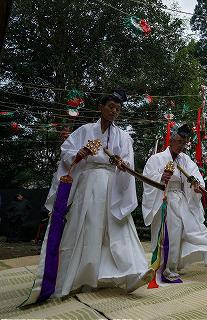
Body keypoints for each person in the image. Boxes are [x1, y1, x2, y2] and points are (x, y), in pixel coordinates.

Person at [24, 89, 153, 305]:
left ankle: (134, 272)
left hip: (112, 187)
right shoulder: (84, 130)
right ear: (101, 108)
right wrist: (78, 155)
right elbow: (66, 151)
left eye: (118, 109)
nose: (114, 111)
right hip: (89, 184)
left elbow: (128, 164)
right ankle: (81, 277)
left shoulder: (123, 136)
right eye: (111, 107)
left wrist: (123, 165)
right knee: (88, 229)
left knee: (119, 228)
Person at [142, 124, 207, 284]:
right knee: (171, 235)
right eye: (178, 141)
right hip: (165, 198)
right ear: (171, 140)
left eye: (183, 143)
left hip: (181, 198)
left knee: (195, 226)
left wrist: (196, 184)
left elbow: (195, 175)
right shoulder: (156, 158)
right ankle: (167, 269)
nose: (181, 146)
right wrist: (161, 176)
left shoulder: (185, 160)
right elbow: (147, 176)